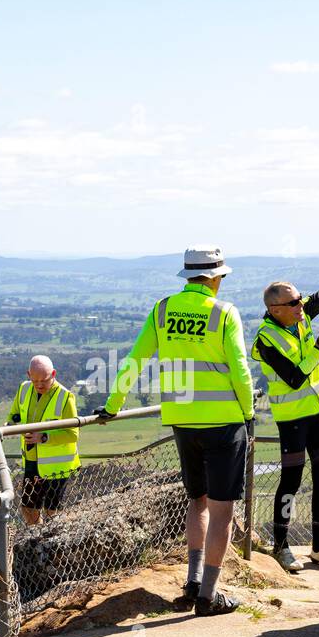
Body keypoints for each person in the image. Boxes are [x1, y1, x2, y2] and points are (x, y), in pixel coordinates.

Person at [95, 246, 254, 617]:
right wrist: (248, 413)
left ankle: (193, 581)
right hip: (224, 422)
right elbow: (240, 370)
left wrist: (113, 405)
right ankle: (209, 597)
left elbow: (134, 360)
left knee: (196, 501)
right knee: (222, 511)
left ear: (187, 277)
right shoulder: (225, 313)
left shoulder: (163, 309)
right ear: (216, 278)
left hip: (182, 421)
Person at [251, 278, 319, 572]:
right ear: (275, 309)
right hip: (293, 418)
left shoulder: (300, 312)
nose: (301, 305)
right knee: (291, 482)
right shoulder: (265, 340)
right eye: (293, 302)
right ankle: (281, 547)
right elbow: (294, 378)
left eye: (300, 299)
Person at [7, 355, 80, 525]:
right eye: (35, 380)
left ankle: (53, 546)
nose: (39, 385)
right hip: (32, 461)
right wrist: (10, 425)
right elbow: (14, 415)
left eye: (44, 380)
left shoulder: (65, 396)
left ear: (53, 374)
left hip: (57, 466)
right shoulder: (23, 389)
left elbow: (72, 434)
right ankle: (36, 542)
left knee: (52, 512)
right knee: (28, 507)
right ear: (28, 374)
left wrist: (43, 437)